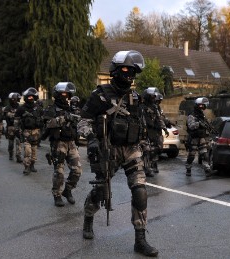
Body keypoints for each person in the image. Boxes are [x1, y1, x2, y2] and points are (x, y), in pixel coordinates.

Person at [77, 50, 158, 257]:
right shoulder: (100, 95)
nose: (129, 74)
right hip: (108, 148)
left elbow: (139, 124)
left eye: (133, 71)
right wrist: (93, 139)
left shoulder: (136, 97)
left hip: (131, 150)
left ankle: (140, 240)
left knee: (140, 191)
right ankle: (88, 217)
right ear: (115, 70)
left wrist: (145, 144)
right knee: (101, 191)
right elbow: (83, 121)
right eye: (125, 69)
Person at [42, 82, 82, 207]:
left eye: (67, 94)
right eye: (63, 94)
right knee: (59, 171)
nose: (65, 96)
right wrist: (64, 118)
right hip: (58, 143)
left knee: (77, 170)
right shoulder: (51, 109)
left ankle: (67, 190)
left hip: (71, 143)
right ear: (57, 95)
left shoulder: (71, 109)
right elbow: (48, 123)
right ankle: (57, 195)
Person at [14, 87, 44, 175]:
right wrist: (16, 130)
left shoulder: (38, 108)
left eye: (32, 97)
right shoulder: (21, 108)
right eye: (29, 97)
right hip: (26, 132)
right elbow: (16, 120)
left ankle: (32, 165)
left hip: (36, 132)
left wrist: (42, 132)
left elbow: (43, 121)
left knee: (34, 150)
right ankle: (27, 167)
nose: (30, 98)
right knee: (27, 150)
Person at [140, 87, 169, 177]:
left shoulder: (155, 107)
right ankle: (147, 168)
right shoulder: (141, 107)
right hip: (144, 132)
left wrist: (164, 128)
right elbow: (140, 120)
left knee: (157, 148)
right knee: (146, 150)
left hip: (153, 131)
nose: (154, 98)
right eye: (152, 96)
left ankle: (153, 164)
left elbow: (159, 118)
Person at [185, 97, 212, 177]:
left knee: (205, 154)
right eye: (201, 105)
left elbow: (206, 125)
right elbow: (190, 126)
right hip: (194, 138)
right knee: (192, 155)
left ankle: (207, 169)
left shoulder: (202, 115)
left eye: (203, 106)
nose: (202, 107)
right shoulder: (192, 115)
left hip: (202, 138)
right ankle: (188, 168)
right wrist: (198, 124)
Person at [3, 92, 23, 162]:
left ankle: (18, 156)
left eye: (15, 99)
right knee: (11, 143)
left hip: (18, 127)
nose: (14, 100)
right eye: (12, 99)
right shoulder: (7, 107)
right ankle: (11, 154)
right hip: (10, 127)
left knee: (19, 142)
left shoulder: (20, 107)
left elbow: (22, 115)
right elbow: (6, 115)